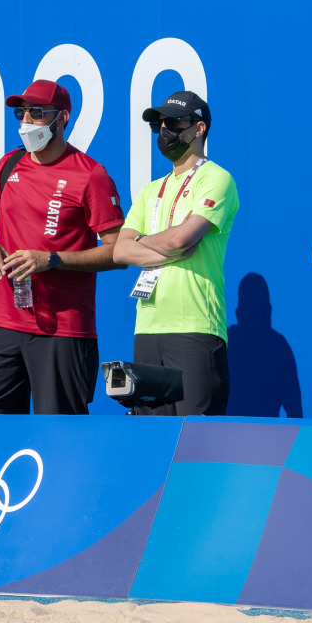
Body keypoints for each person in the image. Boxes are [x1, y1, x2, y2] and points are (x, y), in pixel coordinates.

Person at [0, 79, 124, 414]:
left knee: (61, 438)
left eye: (36, 113)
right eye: (21, 114)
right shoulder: (8, 166)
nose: (26, 122)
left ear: (62, 118)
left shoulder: (91, 175)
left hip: (63, 330)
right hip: (5, 323)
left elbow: (118, 251)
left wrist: (51, 259)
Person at [112, 91, 239, 416]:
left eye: (174, 122)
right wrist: (168, 246)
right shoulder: (150, 190)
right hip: (148, 327)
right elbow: (120, 251)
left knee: (197, 441)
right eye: (160, 124)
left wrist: (149, 242)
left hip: (195, 327)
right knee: (150, 438)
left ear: (198, 129)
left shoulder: (217, 178)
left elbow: (183, 238)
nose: (165, 130)